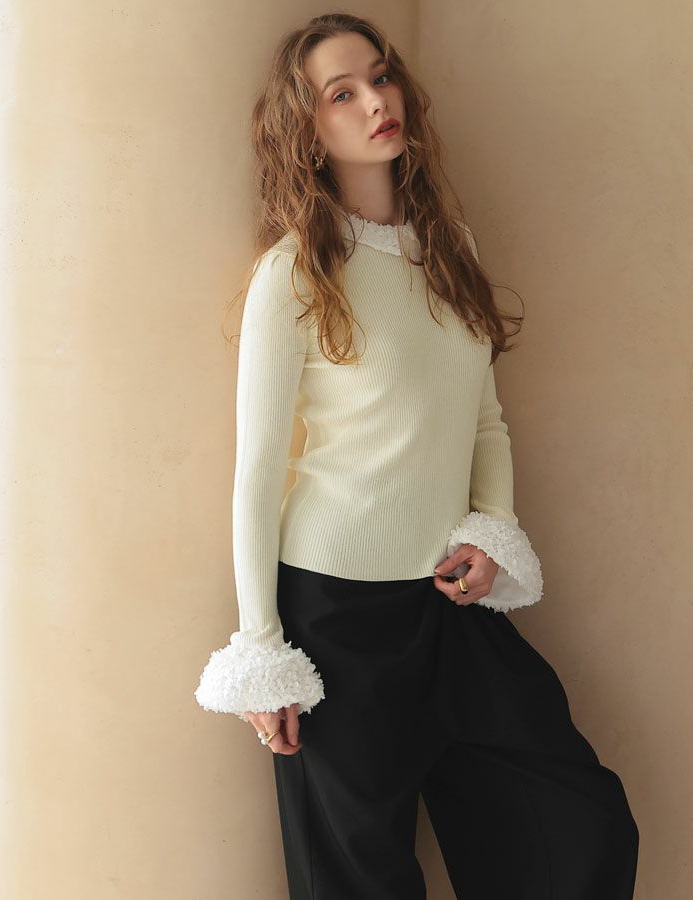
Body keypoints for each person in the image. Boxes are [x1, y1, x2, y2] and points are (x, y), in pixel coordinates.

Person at [194, 12, 639, 900]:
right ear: (307, 131)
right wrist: (263, 652)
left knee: (578, 825)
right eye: (342, 93)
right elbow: (257, 472)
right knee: (359, 879)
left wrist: (492, 528)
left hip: (449, 603)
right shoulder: (294, 273)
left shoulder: (449, 250)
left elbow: (485, 421)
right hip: (334, 616)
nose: (375, 101)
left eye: (381, 75)